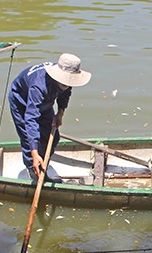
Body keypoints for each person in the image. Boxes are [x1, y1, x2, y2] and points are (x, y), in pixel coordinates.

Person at [9, 53, 91, 182]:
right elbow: (31, 119)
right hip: (22, 102)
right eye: (64, 83)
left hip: (46, 100)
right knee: (28, 139)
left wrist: (60, 113)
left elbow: (66, 93)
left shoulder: (65, 82)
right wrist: (34, 153)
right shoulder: (38, 87)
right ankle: (34, 172)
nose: (67, 85)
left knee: (53, 137)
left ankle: (43, 165)